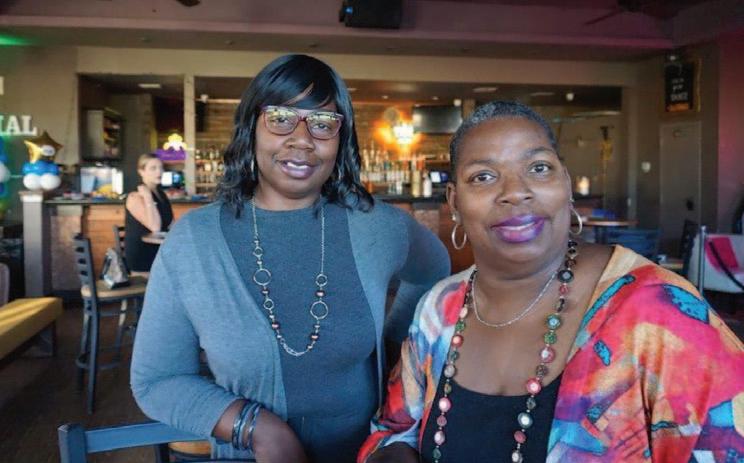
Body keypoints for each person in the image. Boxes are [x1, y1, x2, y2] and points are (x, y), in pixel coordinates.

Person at [359, 101, 744, 463]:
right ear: (455, 202)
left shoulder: (659, 311)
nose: (515, 192)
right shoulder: (441, 307)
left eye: (539, 168)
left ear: (567, 184)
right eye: (483, 176)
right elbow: (394, 430)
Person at [130, 54, 450, 463]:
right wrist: (258, 429)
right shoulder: (194, 241)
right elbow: (157, 381)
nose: (302, 139)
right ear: (251, 127)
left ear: (341, 138)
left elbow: (433, 268)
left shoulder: (376, 226)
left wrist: (394, 350)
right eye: (280, 118)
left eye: (323, 124)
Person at [124, 153, 173, 273]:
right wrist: (148, 197)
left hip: (159, 250)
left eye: (161, 168)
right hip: (143, 255)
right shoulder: (135, 196)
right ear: (141, 172)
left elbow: (171, 224)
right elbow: (155, 227)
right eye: (153, 168)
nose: (159, 172)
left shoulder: (161, 194)